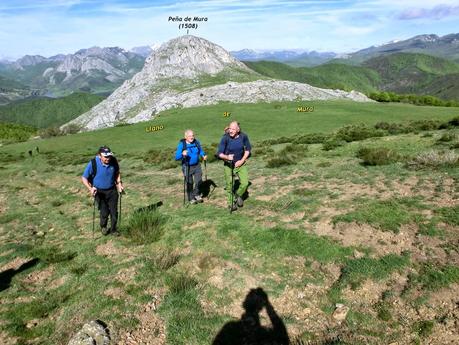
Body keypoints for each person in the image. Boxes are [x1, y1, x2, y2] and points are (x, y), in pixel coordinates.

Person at [81, 146, 124, 236]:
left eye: (109, 156)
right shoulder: (93, 163)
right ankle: (103, 226)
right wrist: (90, 188)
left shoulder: (113, 161)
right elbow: (84, 178)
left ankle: (113, 230)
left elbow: (117, 173)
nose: (108, 158)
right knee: (104, 212)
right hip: (99, 192)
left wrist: (119, 183)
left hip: (112, 190)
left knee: (114, 212)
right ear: (99, 156)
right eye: (105, 156)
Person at [217, 121, 251, 211]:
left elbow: (248, 150)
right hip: (229, 165)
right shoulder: (225, 138)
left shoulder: (243, 136)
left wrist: (242, 161)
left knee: (245, 183)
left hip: (241, 164)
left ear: (238, 130)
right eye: (230, 128)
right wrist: (227, 157)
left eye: (233, 129)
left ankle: (238, 195)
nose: (231, 131)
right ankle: (231, 203)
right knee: (229, 185)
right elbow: (219, 153)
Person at [175, 129, 207, 204]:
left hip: (197, 165)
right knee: (189, 182)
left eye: (193, 135)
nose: (192, 137)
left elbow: (200, 150)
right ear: (185, 137)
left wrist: (203, 155)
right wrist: (182, 154)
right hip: (187, 166)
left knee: (199, 181)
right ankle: (190, 198)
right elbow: (176, 157)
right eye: (190, 136)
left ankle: (196, 194)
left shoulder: (196, 142)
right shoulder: (182, 145)